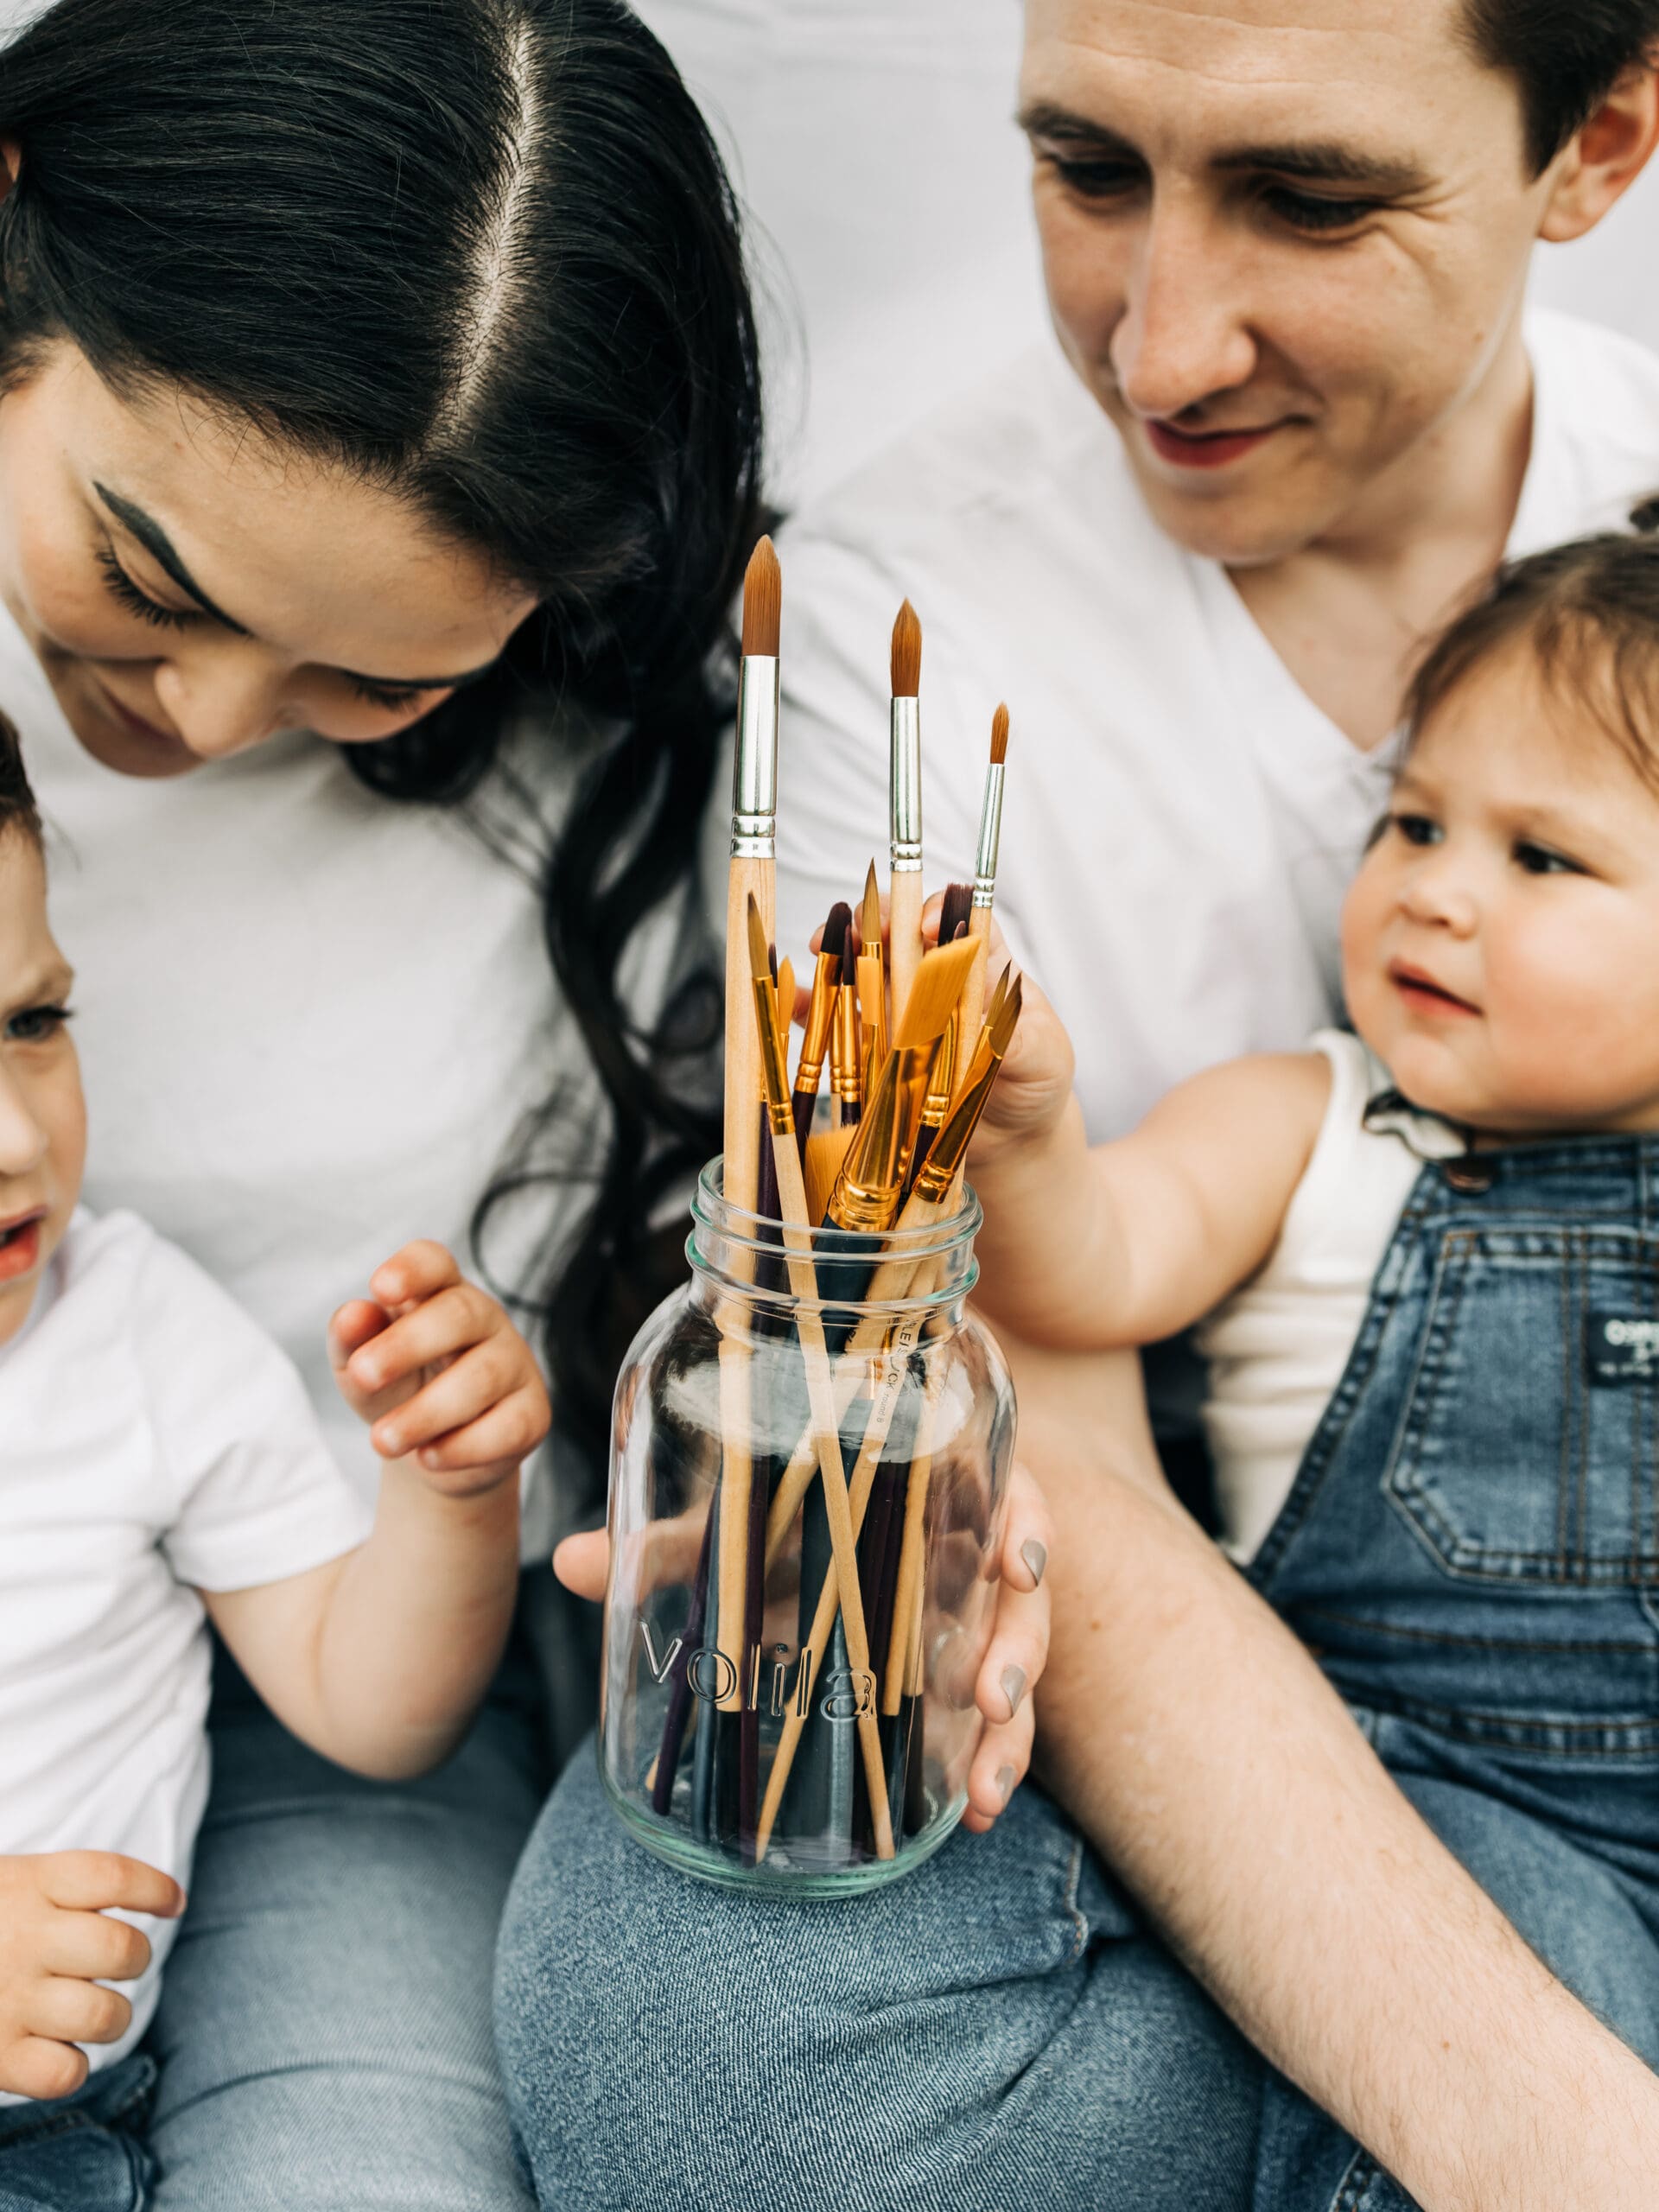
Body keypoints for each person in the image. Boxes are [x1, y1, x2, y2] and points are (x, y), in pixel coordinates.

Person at [497, 3, 1659, 2207]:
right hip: (1136, 1671)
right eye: (1090, 169)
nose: (1161, 346)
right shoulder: (890, 627)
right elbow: (1045, 1419)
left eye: (1309, 198)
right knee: (677, 2002)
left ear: (1594, 144)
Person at [0, 6, 1044, 2200]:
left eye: (378, 676)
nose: (191, 717)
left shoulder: (690, 766)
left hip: (326, 1694)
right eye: (149, 581)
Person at [964, 515, 1659, 2204]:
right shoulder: (1316, 1119)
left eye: (1541, 858)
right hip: (1402, 1804)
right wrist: (1037, 1138)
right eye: (1415, 820)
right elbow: (1094, 1270)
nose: (1434, 883)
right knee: (1496, 2062)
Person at [0, 717, 549, 2190]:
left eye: (31, 1025)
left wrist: (449, 1491)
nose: (12, 1134)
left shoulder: (134, 1332)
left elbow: (370, 1707)